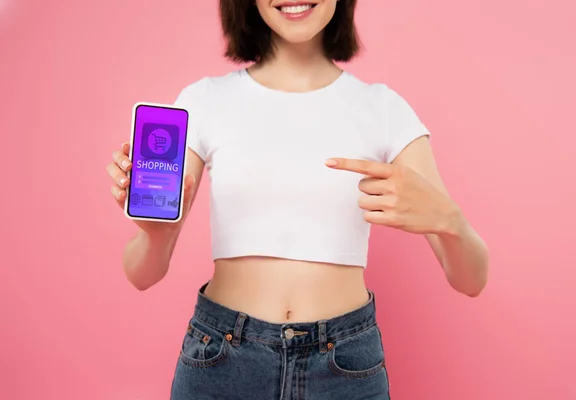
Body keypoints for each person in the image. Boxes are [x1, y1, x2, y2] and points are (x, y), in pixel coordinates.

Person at [106, 0, 489, 398]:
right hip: (223, 361)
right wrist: (153, 233)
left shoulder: (384, 109)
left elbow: (471, 280)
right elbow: (142, 274)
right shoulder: (204, 101)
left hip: (344, 367)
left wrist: (451, 221)